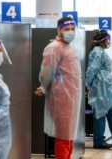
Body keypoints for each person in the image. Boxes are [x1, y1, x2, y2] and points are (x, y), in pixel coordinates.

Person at [34, 17, 82, 159]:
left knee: (69, 131)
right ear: (59, 30)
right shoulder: (54, 47)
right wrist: (43, 86)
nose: (70, 32)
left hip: (73, 94)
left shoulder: (70, 47)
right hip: (62, 95)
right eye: (67, 29)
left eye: (73, 29)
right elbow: (46, 71)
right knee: (64, 132)